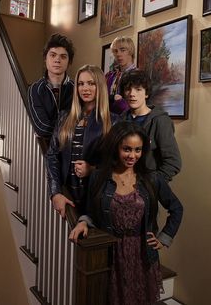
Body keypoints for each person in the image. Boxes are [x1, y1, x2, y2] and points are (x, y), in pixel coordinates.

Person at [70, 121, 183, 305]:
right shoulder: (99, 176)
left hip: (143, 255)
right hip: (111, 254)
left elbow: (176, 208)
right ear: (116, 147)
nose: (132, 155)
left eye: (138, 150)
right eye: (127, 149)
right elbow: (90, 211)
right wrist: (82, 222)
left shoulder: (152, 178)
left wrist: (164, 238)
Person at [46, 65, 117, 217]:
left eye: (91, 83)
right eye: (80, 83)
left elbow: (120, 164)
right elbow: (52, 155)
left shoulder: (114, 121)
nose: (85, 88)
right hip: (67, 197)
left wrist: (92, 169)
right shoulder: (64, 117)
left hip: (96, 200)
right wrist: (55, 192)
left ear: (100, 86)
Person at [119, 70, 181, 181]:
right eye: (128, 89)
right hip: (121, 186)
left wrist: (152, 184)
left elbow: (173, 162)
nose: (132, 94)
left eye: (138, 89)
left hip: (146, 189)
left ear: (146, 93)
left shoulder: (160, 121)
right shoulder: (120, 120)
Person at [28, 33, 74, 143]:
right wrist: (70, 131)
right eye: (53, 55)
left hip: (73, 151)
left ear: (69, 62)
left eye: (63, 56)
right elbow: (41, 127)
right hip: (45, 152)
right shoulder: (35, 89)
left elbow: (82, 124)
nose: (57, 60)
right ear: (45, 58)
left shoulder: (77, 88)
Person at [105, 36, 137, 114]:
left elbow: (139, 106)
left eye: (122, 50)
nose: (118, 54)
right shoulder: (110, 76)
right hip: (109, 121)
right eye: (115, 51)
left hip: (129, 122)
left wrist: (119, 102)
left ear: (131, 51)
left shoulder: (138, 76)